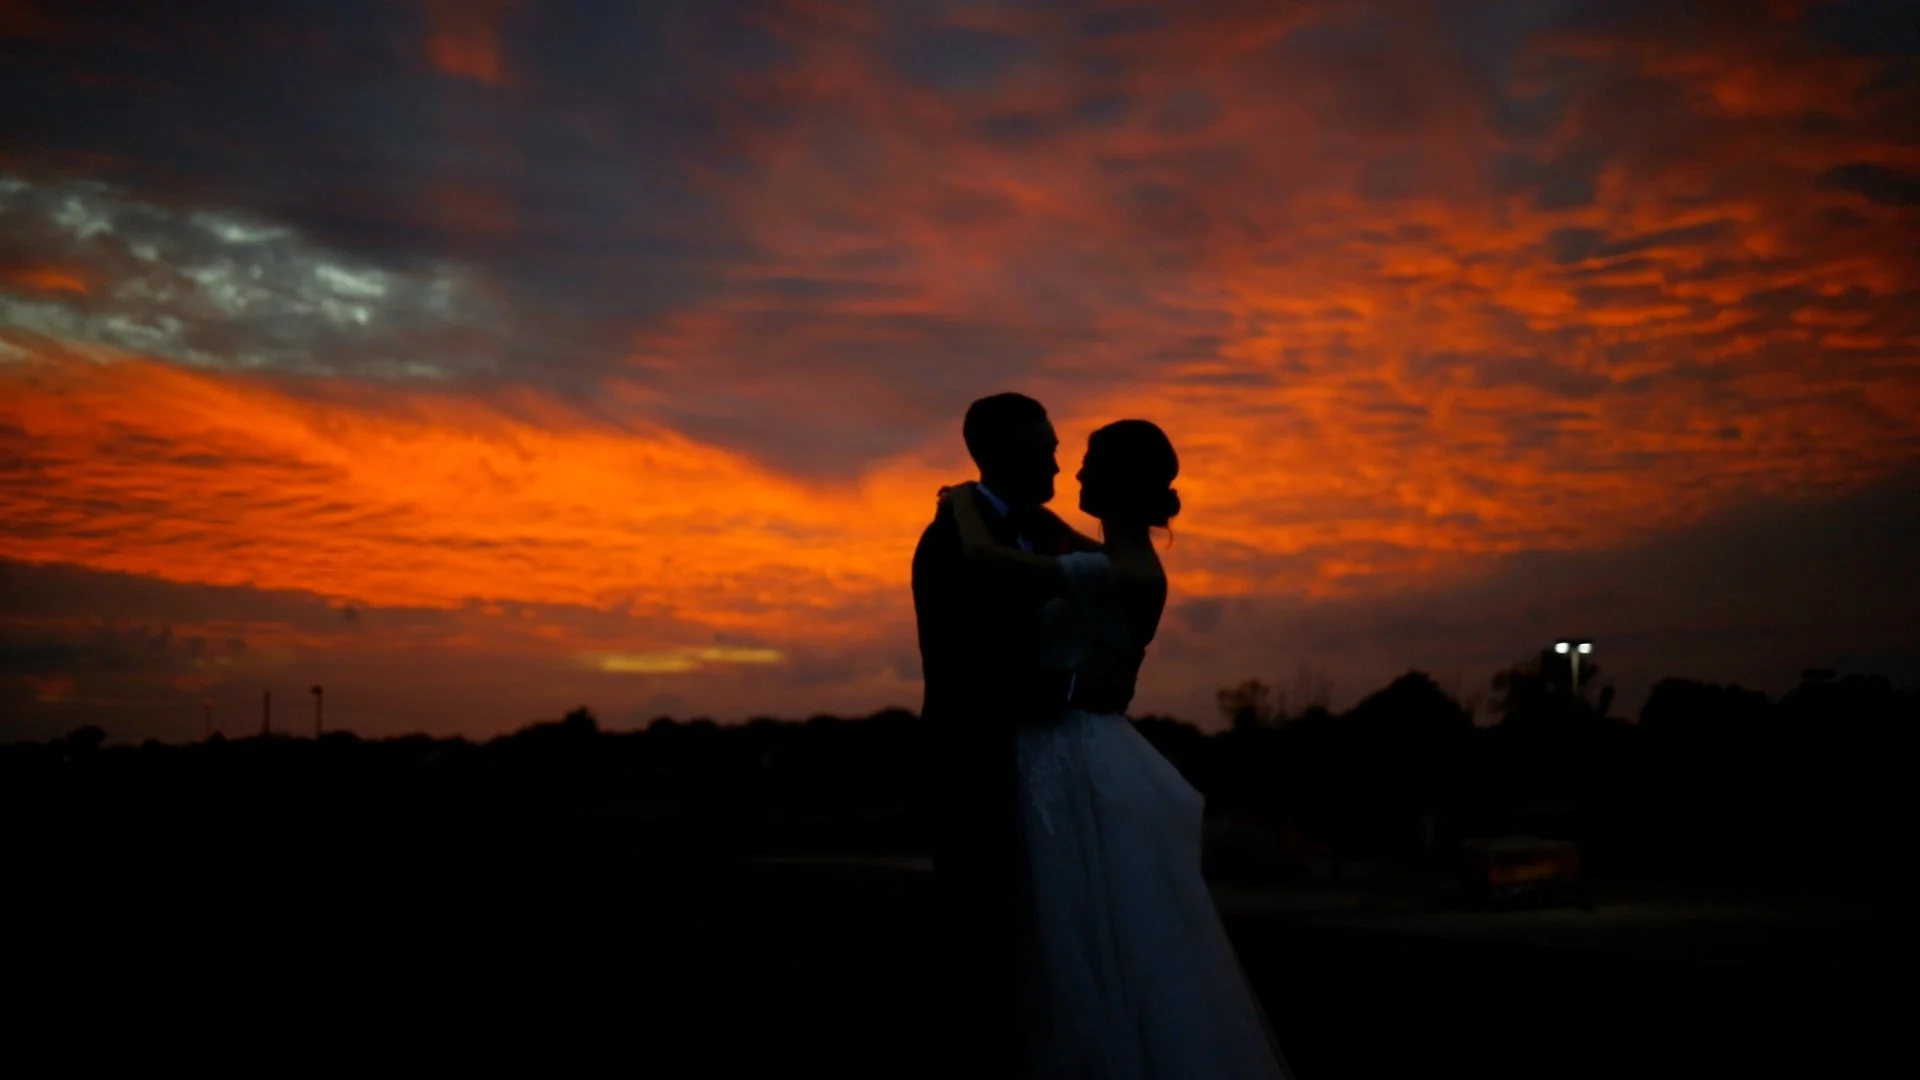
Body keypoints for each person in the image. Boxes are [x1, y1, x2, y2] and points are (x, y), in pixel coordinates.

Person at [939, 418, 1293, 1079]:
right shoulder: (1111, 563)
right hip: (1085, 747)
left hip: (1075, 760)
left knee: (1078, 929)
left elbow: (986, 561)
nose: (1074, 473)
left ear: (1119, 482)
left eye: (1089, 463)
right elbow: (1052, 541)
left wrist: (961, 501)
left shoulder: (1119, 574)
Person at [911, 392, 1139, 1079]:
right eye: (1042, 451)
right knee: (982, 944)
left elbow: (1118, 578)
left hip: (1053, 764)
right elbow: (963, 664)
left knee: (1052, 938)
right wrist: (1072, 690)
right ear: (999, 455)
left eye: (1056, 448)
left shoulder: (1045, 531)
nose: (1055, 461)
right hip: (976, 766)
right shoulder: (949, 539)